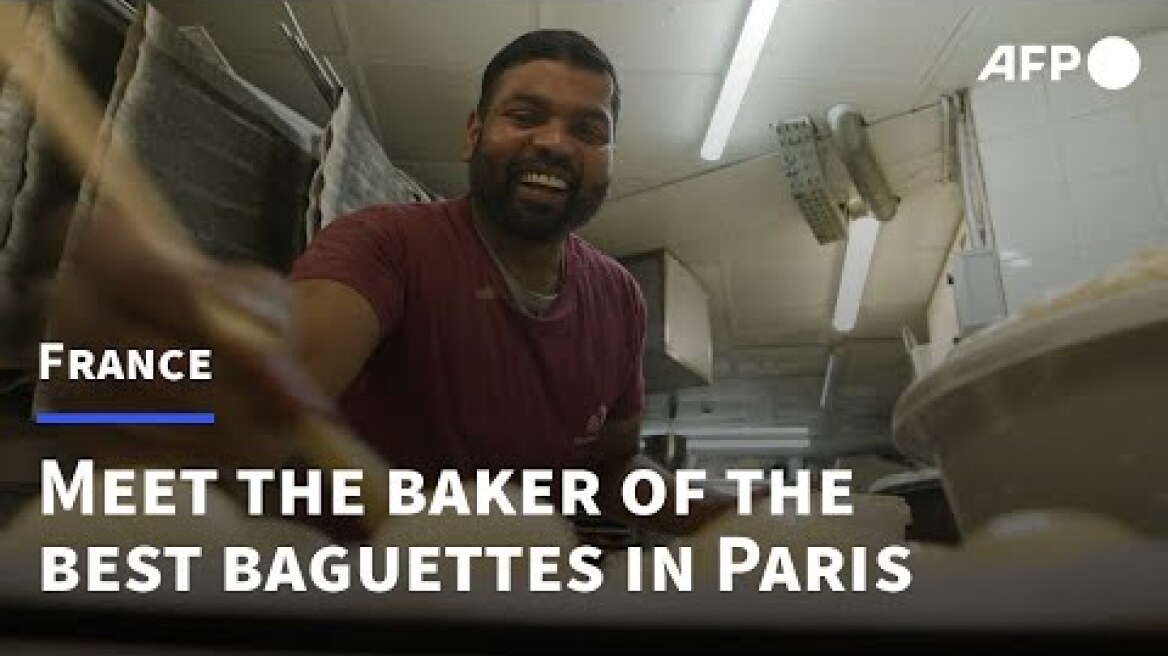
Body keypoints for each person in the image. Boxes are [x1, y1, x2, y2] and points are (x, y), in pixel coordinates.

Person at [36, 29, 739, 538]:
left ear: (609, 159)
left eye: (589, 128)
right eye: (524, 116)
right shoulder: (387, 244)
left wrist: (703, 511)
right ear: (473, 133)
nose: (555, 142)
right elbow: (296, 352)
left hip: (509, 596)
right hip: (341, 598)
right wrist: (217, 383)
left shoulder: (620, 298)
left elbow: (613, 461)